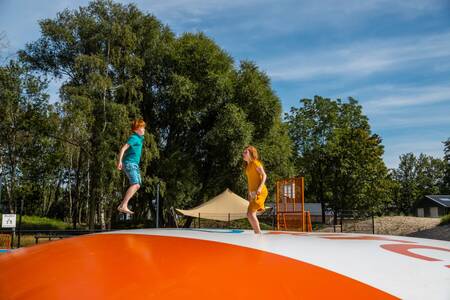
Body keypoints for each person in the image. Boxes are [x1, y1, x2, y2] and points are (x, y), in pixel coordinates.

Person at [117, 119, 145, 214]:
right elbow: (123, 148)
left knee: (137, 185)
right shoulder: (134, 137)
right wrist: (120, 161)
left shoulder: (140, 139)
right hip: (129, 163)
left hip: (134, 164)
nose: (144, 129)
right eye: (142, 127)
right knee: (135, 184)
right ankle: (123, 205)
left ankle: (123, 205)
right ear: (136, 129)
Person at [242, 145, 268, 234]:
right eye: (243, 152)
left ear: (251, 153)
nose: (243, 154)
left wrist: (260, 188)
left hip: (260, 192)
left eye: (246, 152)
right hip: (253, 193)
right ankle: (258, 232)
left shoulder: (256, 163)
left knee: (250, 214)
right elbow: (251, 181)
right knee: (249, 214)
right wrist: (249, 194)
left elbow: (264, 175)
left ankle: (258, 233)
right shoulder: (248, 167)